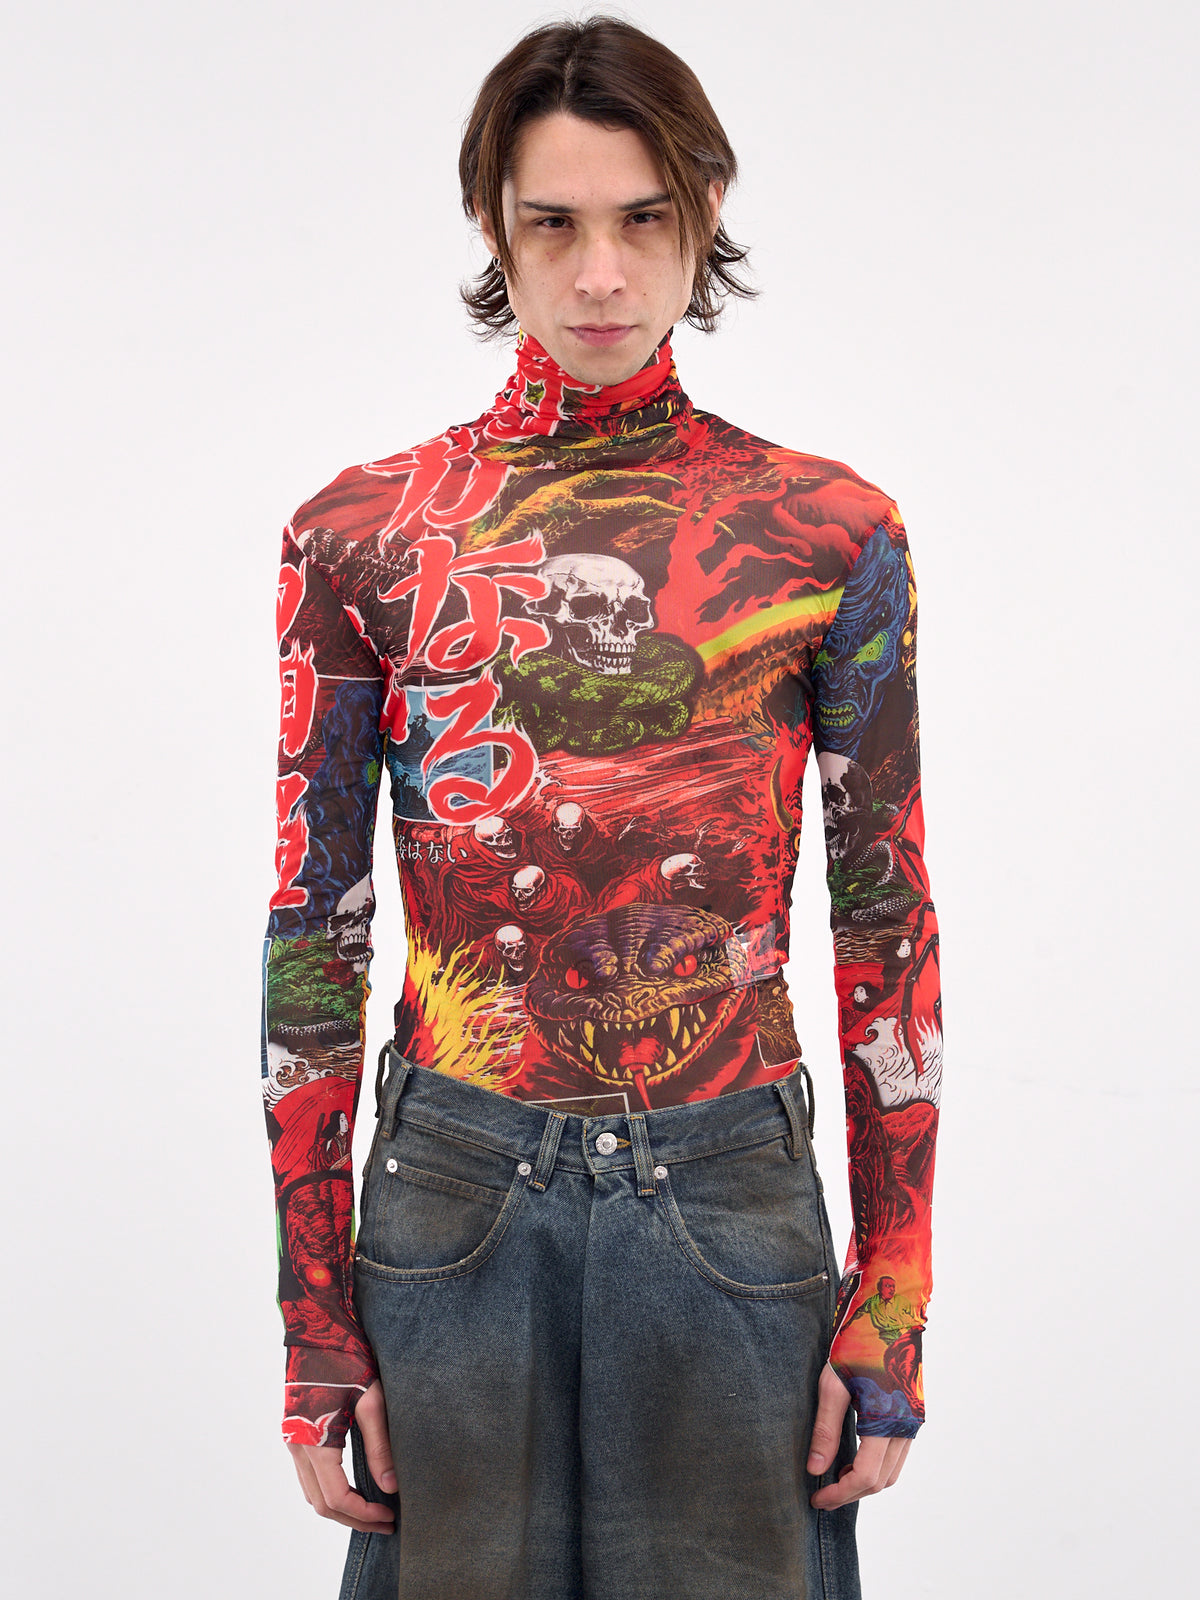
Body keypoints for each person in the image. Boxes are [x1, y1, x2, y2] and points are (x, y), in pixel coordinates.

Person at [261, 14, 942, 1599]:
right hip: (452, 1193)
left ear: (704, 213)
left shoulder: (829, 535)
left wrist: (894, 1296)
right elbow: (313, 933)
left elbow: (888, 922)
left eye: (643, 219)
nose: (602, 276)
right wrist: (313, 1323)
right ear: (492, 227)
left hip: (730, 1179)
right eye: (553, 224)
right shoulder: (362, 538)